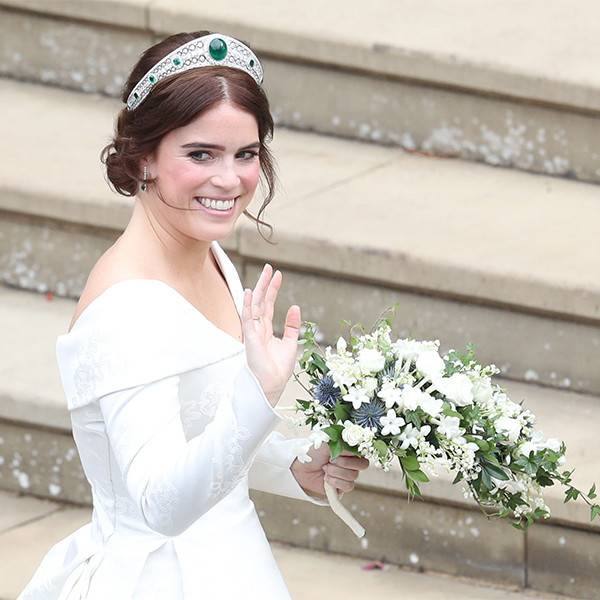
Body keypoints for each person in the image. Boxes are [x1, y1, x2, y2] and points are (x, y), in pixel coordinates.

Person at [19, 31, 369, 599]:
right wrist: (259, 393)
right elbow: (160, 503)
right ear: (143, 156)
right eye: (200, 154)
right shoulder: (126, 310)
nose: (229, 180)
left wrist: (292, 465)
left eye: (246, 154)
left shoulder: (210, 255)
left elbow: (197, 427)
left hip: (234, 564)